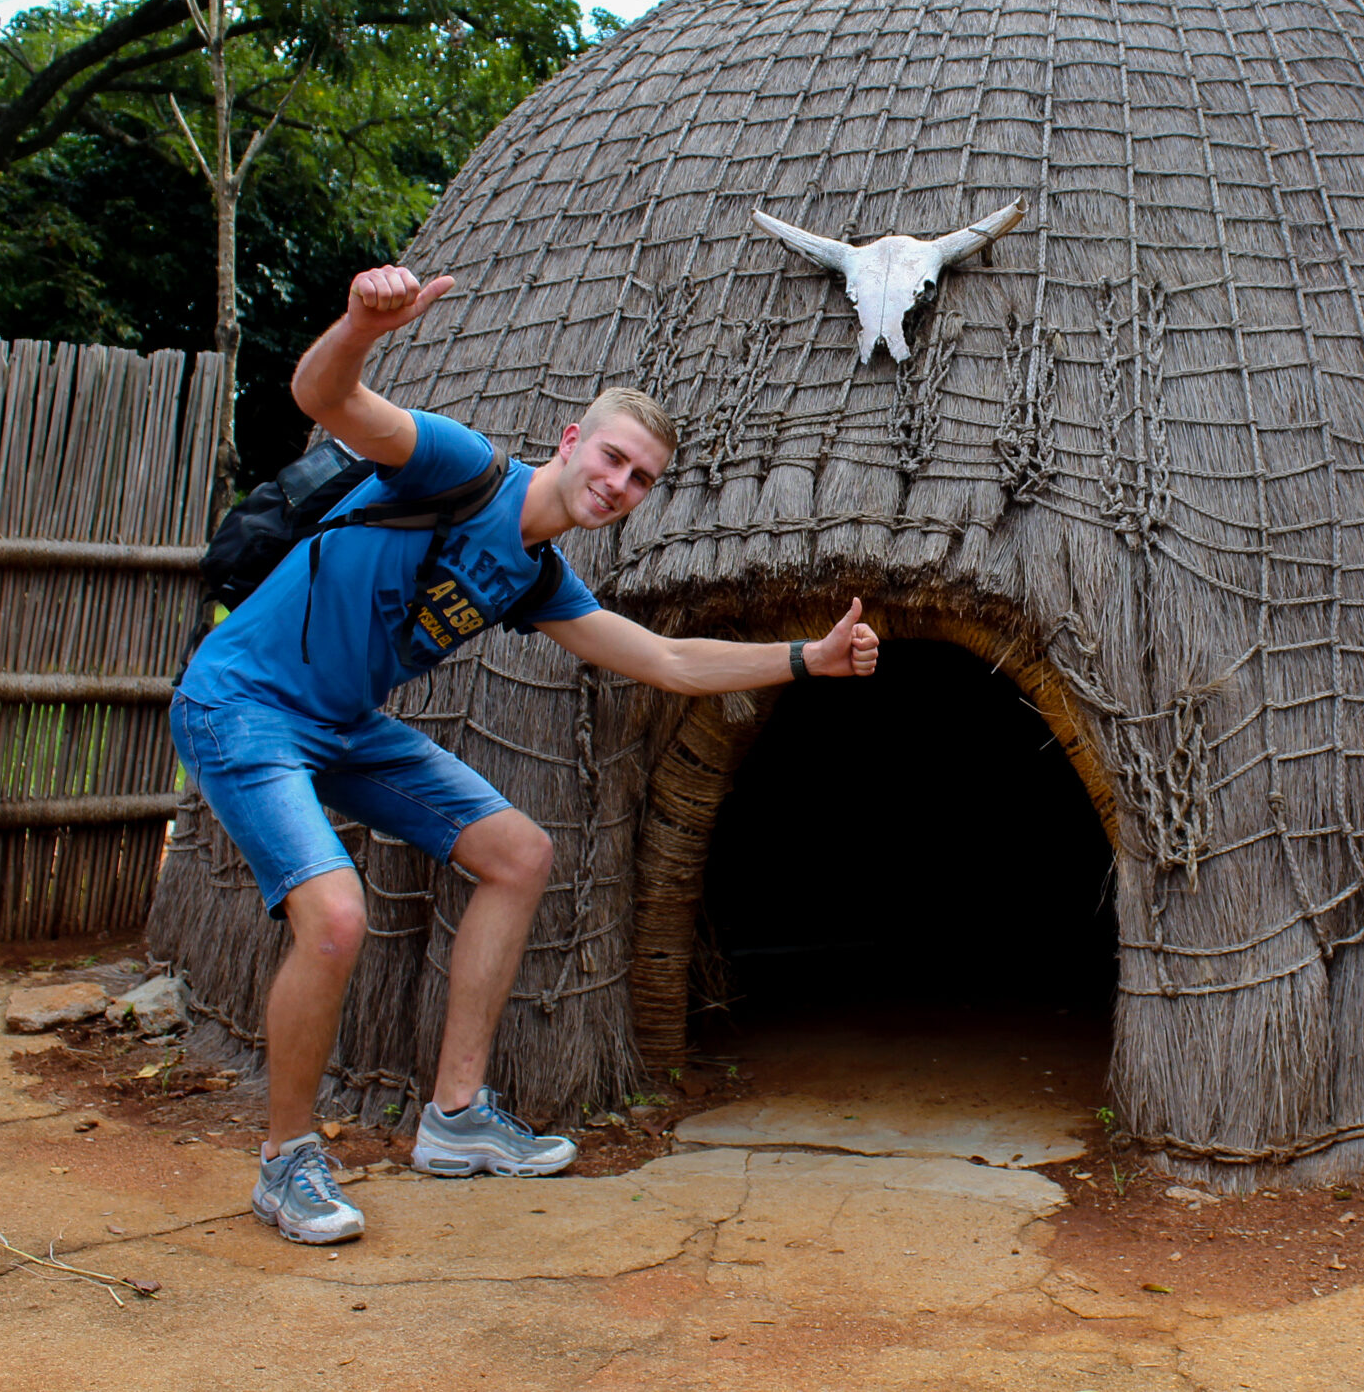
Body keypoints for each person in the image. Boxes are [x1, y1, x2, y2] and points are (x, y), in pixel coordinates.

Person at [171, 263, 879, 1245]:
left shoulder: (535, 577)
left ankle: (456, 1117)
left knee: (519, 853)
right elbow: (323, 398)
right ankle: (286, 1161)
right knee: (334, 917)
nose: (618, 485)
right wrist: (362, 325)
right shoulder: (457, 467)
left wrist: (808, 658)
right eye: (613, 458)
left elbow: (667, 661)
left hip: (339, 724)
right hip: (241, 702)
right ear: (572, 441)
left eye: (640, 480)